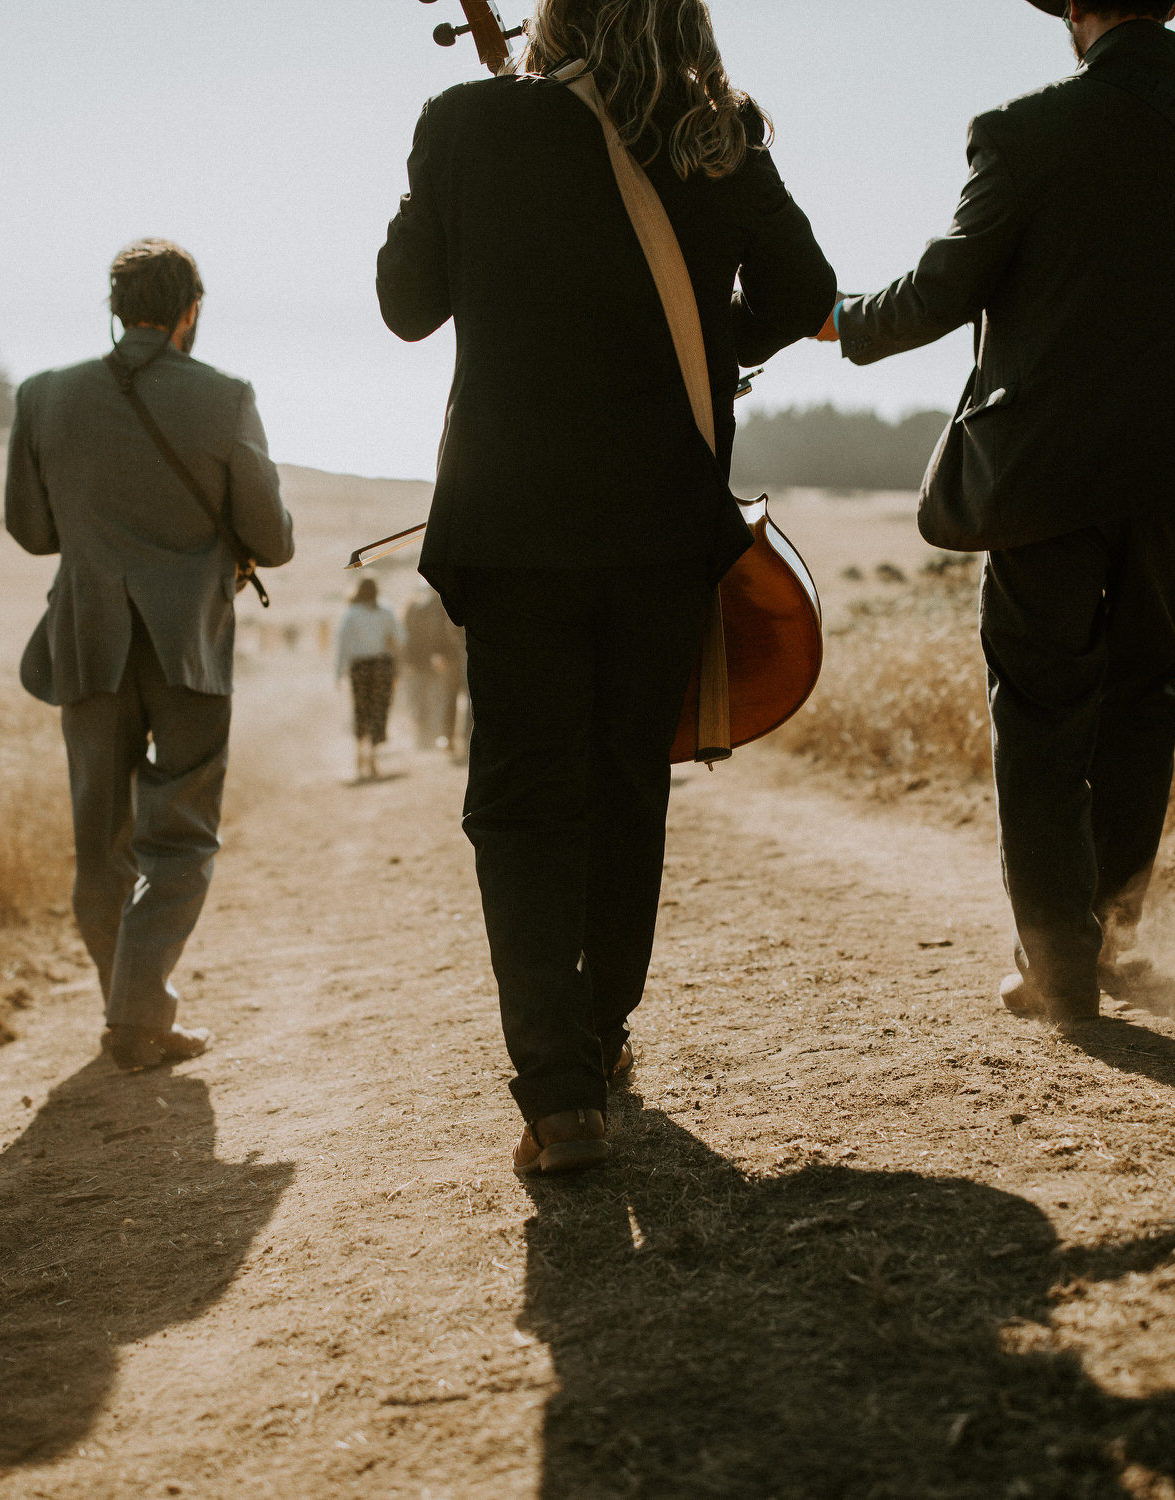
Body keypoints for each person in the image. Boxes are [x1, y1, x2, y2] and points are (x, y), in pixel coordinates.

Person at [822, 0, 1175, 1025]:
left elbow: (941, 290)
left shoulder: (1016, 131)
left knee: (1040, 702)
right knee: (1145, 689)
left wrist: (841, 321)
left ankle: (1059, 962)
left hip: (1045, 462)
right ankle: (1114, 937)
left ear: (1072, 7)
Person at [378, 0, 836, 1175]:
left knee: (526, 798)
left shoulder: (468, 119)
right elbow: (802, 289)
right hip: (658, 522)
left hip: (515, 521)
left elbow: (406, 304)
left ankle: (560, 1093)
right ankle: (602, 1034)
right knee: (630, 779)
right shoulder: (713, 130)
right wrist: (691, 343)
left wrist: (448, 155)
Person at [6, 238, 296, 1071]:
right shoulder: (227, 397)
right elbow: (270, 542)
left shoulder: (42, 396)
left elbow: (31, 531)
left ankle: (127, 1013)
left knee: (101, 842)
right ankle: (138, 1017)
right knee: (183, 836)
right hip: (187, 650)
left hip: (86, 643)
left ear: (114, 308)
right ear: (190, 313)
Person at [334, 577, 403, 781]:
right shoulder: (386, 610)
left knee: (361, 708)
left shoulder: (351, 613)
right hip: (382, 665)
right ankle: (372, 756)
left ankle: (359, 752)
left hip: (359, 667)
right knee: (379, 708)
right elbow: (401, 637)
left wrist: (338, 672)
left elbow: (342, 644)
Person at [400, 582, 463, 753]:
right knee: (446, 696)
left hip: (440, 657)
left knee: (441, 697)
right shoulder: (441, 603)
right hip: (450, 656)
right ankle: (445, 736)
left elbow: (428, 633)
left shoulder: (428, 605)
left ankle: (442, 736)